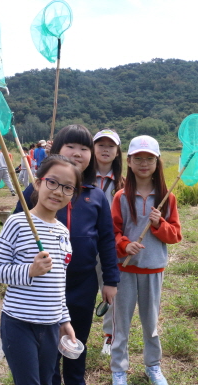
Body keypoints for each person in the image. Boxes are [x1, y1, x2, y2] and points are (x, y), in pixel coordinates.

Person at [14, 125, 120, 385]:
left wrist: (110, 280)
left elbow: (107, 241)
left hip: (82, 283)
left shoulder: (95, 196)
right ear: (57, 151)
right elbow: (15, 233)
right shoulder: (35, 191)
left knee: (77, 339)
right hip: (44, 286)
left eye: (84, 148)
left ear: (91, 156)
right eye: (70, 147)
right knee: (47, 342)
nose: (78, 153)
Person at [0, 155, 82, 385]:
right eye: (52, 182)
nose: (58, 192)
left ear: (73, 194)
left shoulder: (63, 232)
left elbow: (58, 283)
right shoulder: (18, 223)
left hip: (51, 326)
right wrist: (29, 271)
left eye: (67, 187)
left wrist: (64, 320)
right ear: (38, 183)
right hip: (19, 324)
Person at [109, 135, 182, 385]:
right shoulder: (120, 197)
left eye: (149, 158)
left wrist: (158, 225)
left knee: (151, 323)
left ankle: (153, 365)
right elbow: (113, 232)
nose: (143, 163)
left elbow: (175, 235)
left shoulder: (166, 198)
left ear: (157, 161)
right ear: (128, 161)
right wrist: (124, 245)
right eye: (138, 158)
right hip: (125, 270)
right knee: (121, 323)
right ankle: (119, 369)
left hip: (153, 269)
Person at [92, 129, 124, 356]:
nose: (105, 149)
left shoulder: (123, 182)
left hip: (110, 246)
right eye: (100, 144)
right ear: (92, 149)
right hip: (82, 245)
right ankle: (70, 332)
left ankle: (109, 337)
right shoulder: (79, 177)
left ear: (117, 152)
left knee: (111, 291)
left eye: (110, 146)